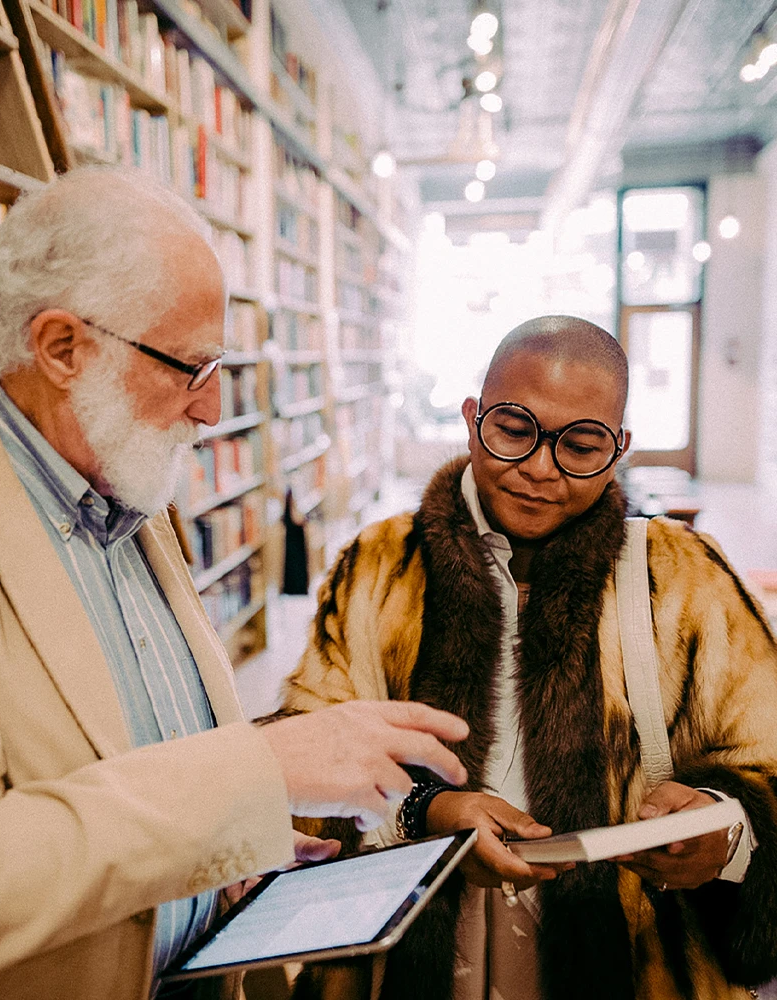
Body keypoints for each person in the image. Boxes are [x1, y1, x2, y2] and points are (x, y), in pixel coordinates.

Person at [0, 167, 471, 1000]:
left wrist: (239, 843)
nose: (212, 411)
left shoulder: (120, 479)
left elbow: (132, 764)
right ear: (64, 348)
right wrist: (259, 773)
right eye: (190, 367)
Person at [279, 316, 777, 1000]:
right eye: (514, 430)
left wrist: (721, 829)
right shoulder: (380, 566)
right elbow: (306, 771)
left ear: (620, 447)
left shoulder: (686, 577)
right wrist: (428, 813)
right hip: (415, 949)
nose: (541, 468)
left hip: (634, 953)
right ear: (472, 417)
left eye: (581, 445)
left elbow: (766, 759)